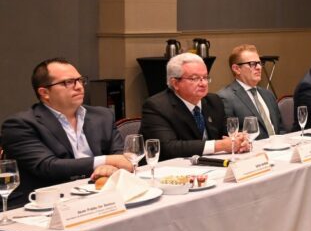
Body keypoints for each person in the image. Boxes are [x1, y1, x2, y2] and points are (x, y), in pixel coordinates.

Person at [1, 58, 132, 206]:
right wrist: (105, 161)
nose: (79, 87)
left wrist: (108, 167)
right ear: (44, 92)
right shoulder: (20, 125)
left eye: (80, 80)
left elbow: (120, 155)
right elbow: (47, 166)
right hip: (45, 204)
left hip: (99, 196)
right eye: (68, 82)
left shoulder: (102, 116)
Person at [140, 53, 246, 160]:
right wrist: (219, 146)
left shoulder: (213, 101)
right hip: (172, 167)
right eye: (194, 78)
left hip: (211, 164)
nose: (203, 83)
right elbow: (168, 147)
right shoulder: (157, 106)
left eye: (205, 77)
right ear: (175, 83)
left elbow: (227, 134)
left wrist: (239, 140)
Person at [217, 44, 283, 140]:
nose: (259, 67)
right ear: (236, 69)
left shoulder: (268, 94)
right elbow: (230, 136)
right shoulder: (225, 98)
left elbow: (281, 128)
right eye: (252, 64)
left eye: (259, 63)